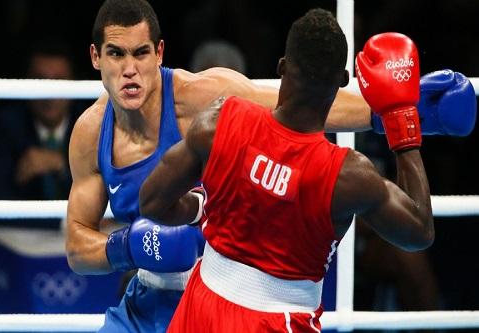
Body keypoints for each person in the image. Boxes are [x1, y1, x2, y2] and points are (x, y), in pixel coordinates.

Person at [65, 0, 475, 332]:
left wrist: (402, 113)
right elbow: (76, 247)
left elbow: (295, 105)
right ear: (96, 57)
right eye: (116, 54)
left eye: (140, 53)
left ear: (159, 53)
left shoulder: (209, 99)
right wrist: (129, 248)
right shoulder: (90, 133)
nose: (129, 69)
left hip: (212, 289)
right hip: (150, 297)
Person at [0, 41, 81, 227]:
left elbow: (108, 195)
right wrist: (18, 178)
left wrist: (63, 166)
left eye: (59, 82)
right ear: (26, 82)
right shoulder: (6, 125)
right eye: (40, 81)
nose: (49, 92)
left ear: (74, 83)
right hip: (23, 243)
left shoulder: (93, 120)